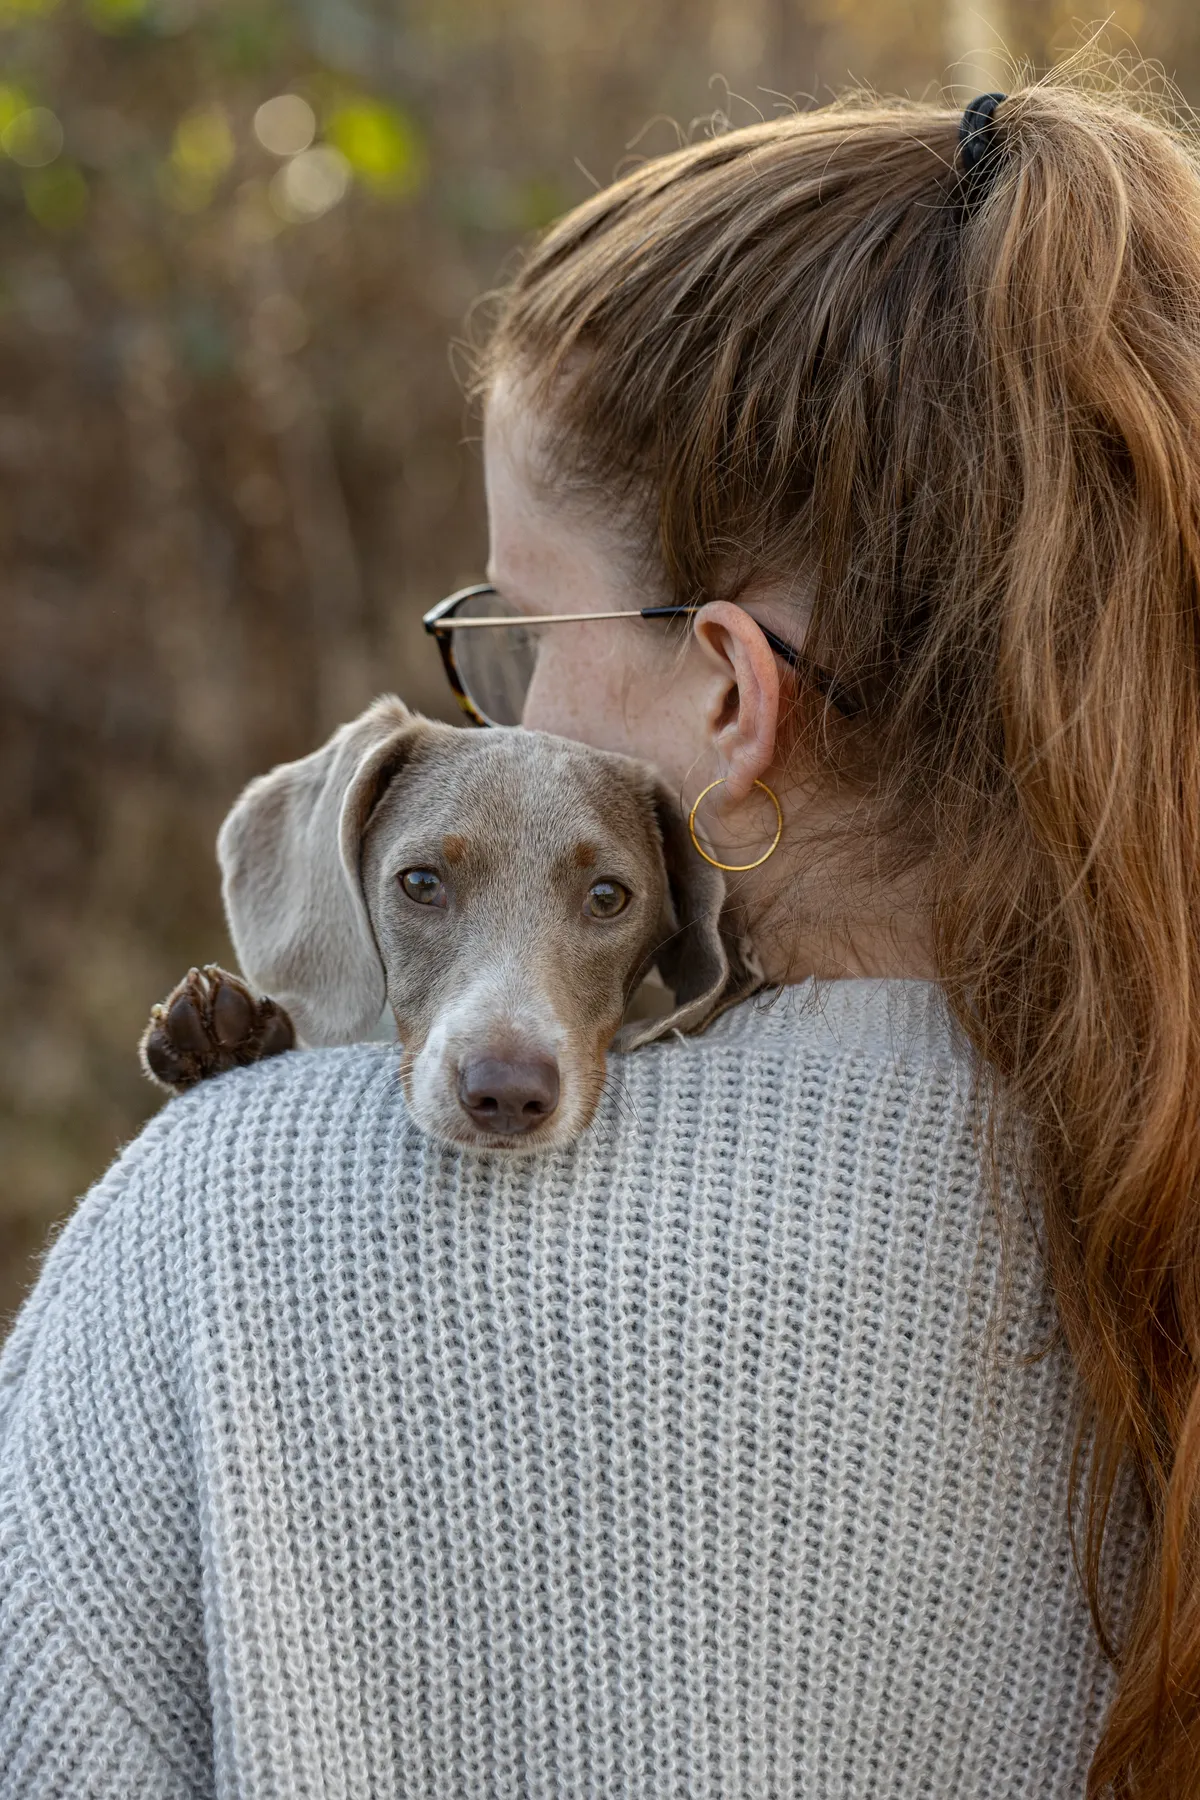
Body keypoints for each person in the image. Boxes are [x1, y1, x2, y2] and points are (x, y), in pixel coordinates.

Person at [0, 68, 1194, 1798]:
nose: (507, 698)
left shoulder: (223, 1221)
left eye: (513, 626)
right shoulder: (1149, 1182)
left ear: (727, 692)